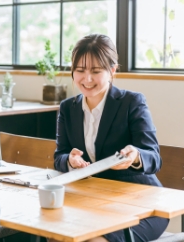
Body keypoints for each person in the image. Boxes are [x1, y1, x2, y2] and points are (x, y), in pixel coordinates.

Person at [53, 34, 169, 242]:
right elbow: (59, 156)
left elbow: (154, 157)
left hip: (142, 205)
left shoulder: (131, 102)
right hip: (93, 202)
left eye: (96, 72)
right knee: (55, 236)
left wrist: (135, 157)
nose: (87, 79)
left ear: (112, 70)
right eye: (80, 71)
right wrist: (69, 160)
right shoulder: (67, 108)